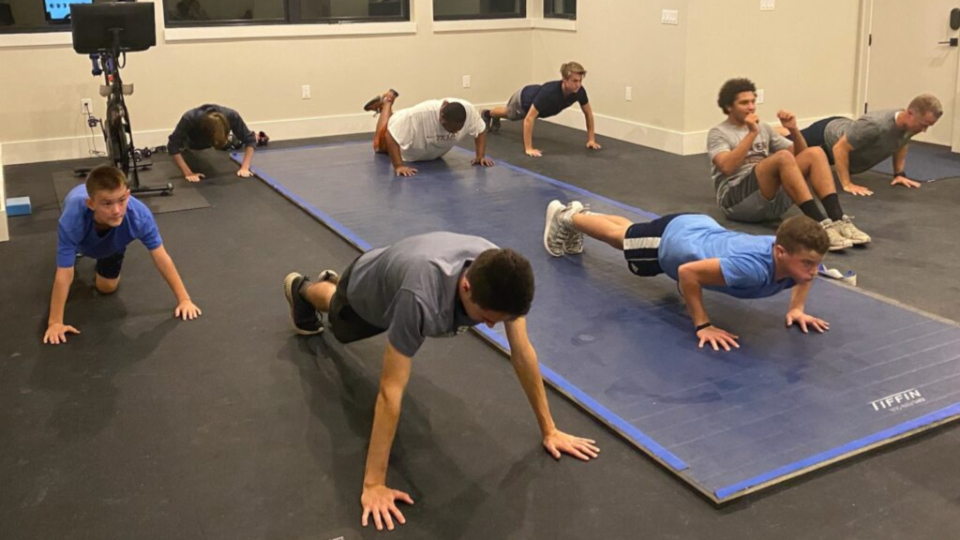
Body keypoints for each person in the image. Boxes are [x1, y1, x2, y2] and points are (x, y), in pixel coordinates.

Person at [282, 232, 599, 531]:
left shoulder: (501, 274)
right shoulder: (419, 299)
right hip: (369, 294)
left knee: (381, 304)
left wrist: (550, 429)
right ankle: (304, 289)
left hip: (401, 272)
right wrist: (374, 484)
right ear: (466, 287)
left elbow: (522, 351)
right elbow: (390, 392)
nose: (491, 327)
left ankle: (337, 285)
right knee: (340, 319)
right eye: (486, 318)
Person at [543, 200, 831, 352]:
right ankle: (565, 217)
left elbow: (805, 275)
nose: (813, 271)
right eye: (808, 264)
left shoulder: (791, 256)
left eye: (816, 264)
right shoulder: (751, 269)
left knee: (631, 233)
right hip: (675, 243)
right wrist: (703, 325)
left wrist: (797, 308)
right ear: (780, 252)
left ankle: (581, 214)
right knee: (620, 239)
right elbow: (687, 273)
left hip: (698, 228)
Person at [43, 165, 201, 345]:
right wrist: (55, 323)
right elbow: (64, 272)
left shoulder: (139, 217)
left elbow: (161, 257)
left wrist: (184, 299)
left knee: (106, 288)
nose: (117, 210)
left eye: (122, 200)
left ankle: (105, 251)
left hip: (112, 243)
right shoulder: (72, 218)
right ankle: (81, 248)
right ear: (91, 204)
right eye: (107, 203)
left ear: (128, 194)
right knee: (71, 257)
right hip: (82, 238)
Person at [708, 78, 870, 250]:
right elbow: (726, 167)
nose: (751, 107)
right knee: (783, 157)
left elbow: (802, 155)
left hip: (769, 201)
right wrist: (752, 133)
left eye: (753, 102)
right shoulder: (718, 133)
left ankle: (838, 219)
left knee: (815, 152)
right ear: (729, 107)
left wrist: (793, 130)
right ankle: (820, 226)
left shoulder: (763, 127)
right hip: (736, 204)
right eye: (744, 103)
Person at [777, 94, 943, 196]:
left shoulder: (910, 126)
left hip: (849, 133)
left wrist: (899, 173)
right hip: (825, 136)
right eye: (923, 125)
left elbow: (902, 141)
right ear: (910, 114)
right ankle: (779, 131)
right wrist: (846, 184)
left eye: (928, 126)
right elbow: (839, 148)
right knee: (779, 152)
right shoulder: (876, 125)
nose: (924, 130)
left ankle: (784, 132)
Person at [482, 62, 601, 157]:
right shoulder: (549, 93)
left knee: (511, 115)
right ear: (564, 80)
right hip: (524, 100)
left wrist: (591, 140)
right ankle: (488, 113)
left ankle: (494, 116)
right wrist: (529, 148)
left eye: (580, 80)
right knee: (510, 115)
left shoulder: (579, 92)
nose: (578, 84)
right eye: (574, 81)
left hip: (536, 98)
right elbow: (529, 119)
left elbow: (588, 113)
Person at [363, 89, 493, 177]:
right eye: (452, 129)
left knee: (400, 129)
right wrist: (398, 166)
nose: (457, 132)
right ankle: (387, 102)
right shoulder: (420, 114)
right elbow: (390, 135)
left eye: (459, 129)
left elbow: (481, 129)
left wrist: (480, 156)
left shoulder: (469, 111)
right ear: (442, 118)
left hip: (427, 150)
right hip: (400, 125)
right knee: (379, 147)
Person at [167, 104, 257, 182]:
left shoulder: (232, 116)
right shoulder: (189, 118)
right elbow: (172, 146)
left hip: (220, 137)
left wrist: (245, 167)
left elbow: (250, 140)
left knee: (233, 143)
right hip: (193, 141)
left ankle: (230, 139)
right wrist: (188, 173)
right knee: (187, 147)